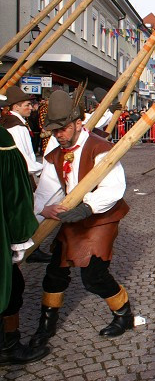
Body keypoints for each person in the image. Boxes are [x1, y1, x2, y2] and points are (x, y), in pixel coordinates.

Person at [30, 89, 134, 349]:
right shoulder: (55, 153)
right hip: (71, 218)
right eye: (54, 131)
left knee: (93, 276)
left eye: (62, 129)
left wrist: (88, 208)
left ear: (78, 123)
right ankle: (46, 324)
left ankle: (124, 314)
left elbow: (114, 187)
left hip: (101, 217)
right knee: (55, 273)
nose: (58, 135)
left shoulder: (101, 148)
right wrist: (44, 210)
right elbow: (46, 191)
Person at [0, 95, 50, 365]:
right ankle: (8, 347)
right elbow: (16, 197)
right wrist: (20, 240)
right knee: (11, 287)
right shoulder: (6, 140)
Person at [0, 86, 52, 264]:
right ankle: (29, 247)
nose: (31, 107)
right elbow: (23, 158)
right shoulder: (16, 127)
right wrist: (44, 168)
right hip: (20, 176)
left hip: (19, 173)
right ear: (15, 107)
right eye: (27, 105)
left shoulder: (13, 122)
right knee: (24, 210)